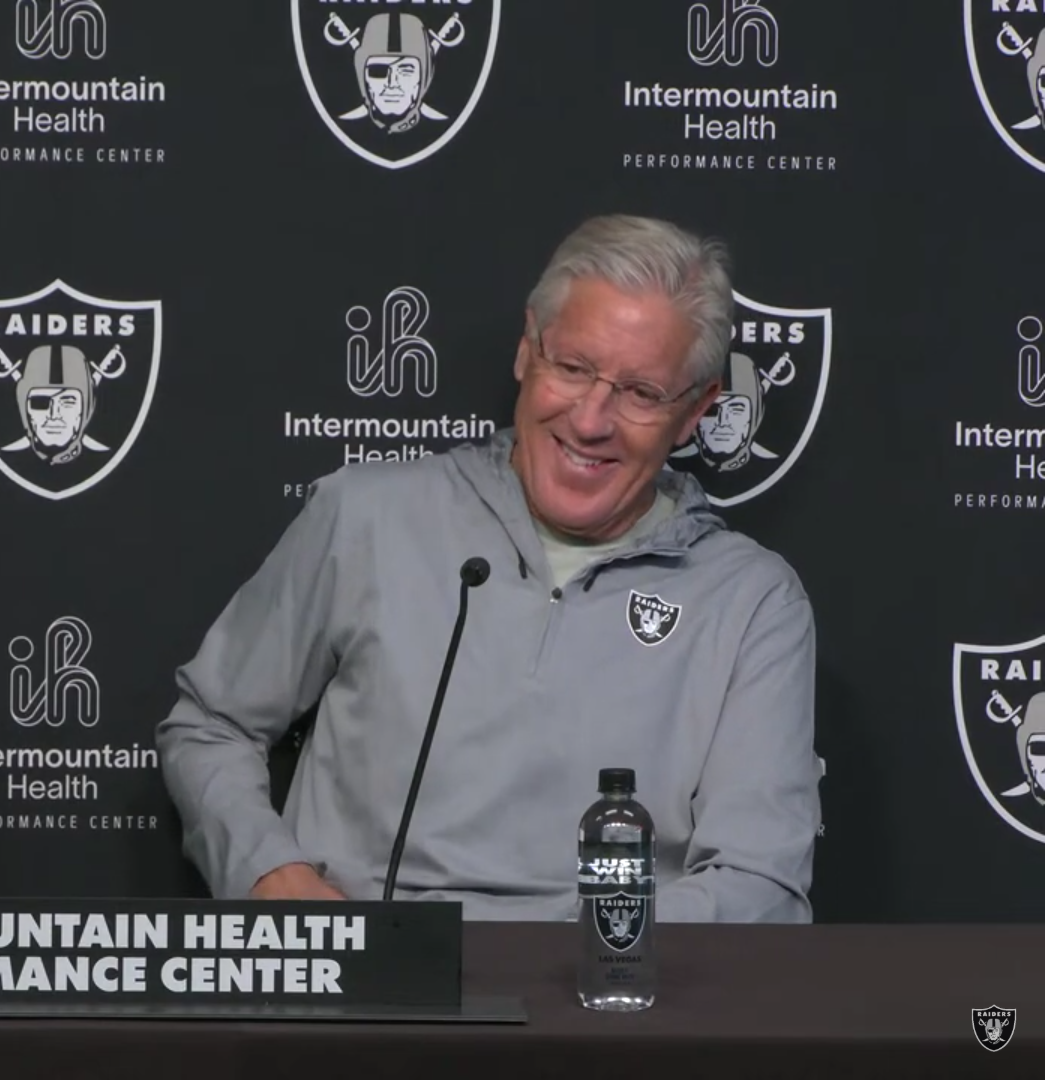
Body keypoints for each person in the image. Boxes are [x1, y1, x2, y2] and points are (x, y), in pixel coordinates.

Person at [157, 214, 821, 923]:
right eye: (573, 368)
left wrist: (595, 954)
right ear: (527, 351)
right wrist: (270, 875)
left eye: (639, 393)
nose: (590, 420)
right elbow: (210, 725)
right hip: (372, 971)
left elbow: (759, 879)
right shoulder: (368, 516)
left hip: (602, 982)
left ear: (695, 412)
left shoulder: (751, 603)